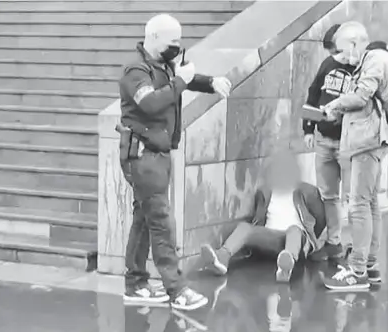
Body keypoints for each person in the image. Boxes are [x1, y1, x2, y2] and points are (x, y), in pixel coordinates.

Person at [117, 13, 232, 309]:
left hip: (158, 153)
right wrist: (181, 79)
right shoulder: (136, 70)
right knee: (161, 223)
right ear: (153, 38)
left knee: (144, 220)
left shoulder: (164, 65)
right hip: (142, 156)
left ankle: (136, 283)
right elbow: (151, 102)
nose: (177, 47)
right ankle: (177, 290)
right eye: (172, 42)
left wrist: (210, 82)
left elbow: (185, 81)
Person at [319, 21, 388, 291]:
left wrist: (335, 104)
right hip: (370, 139)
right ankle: (370, 265)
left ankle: (358, 271)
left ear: (354, 43)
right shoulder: (375, 58)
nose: (343, 56)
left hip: (367, 141)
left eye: (343, 49)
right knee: (370, 203)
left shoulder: (375, 59)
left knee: (359, 205)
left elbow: (362, 96)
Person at [199, 150, 327, 283]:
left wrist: (311, 243)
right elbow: (258, 219)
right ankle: (221, 259)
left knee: (294, 229)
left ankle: (286, 266)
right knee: (245, 227)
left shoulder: (307, 191)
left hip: (296, 240)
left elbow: (321, 219)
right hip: (271, 238)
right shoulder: (264, 192)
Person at [302, 24, 357, 261]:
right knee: (329, 195)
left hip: (350, 141)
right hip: (325, 138)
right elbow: (313, 95)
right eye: (335, 50)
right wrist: (308, 128)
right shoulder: (328, 65)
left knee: (356, 197)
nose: (338, 55)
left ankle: (357, 246)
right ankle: (334, 242)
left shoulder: (363, 67)